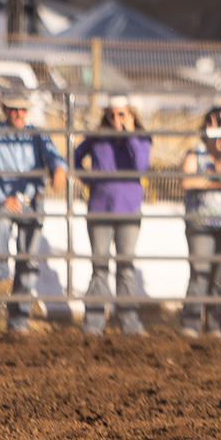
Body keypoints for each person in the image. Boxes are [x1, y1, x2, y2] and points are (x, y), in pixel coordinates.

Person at [0, 92, 67, 333]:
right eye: (14, 109)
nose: (19, 113)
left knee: (29, 258)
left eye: (23, 109)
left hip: (31, 200)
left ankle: (19, 320)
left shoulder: (37, 135)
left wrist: (58, 168)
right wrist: (2, 198)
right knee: (2, 222)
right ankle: (0, 277)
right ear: (4, 110)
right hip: (4, 200)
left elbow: (54, 155)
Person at [73, 95, 152, 337]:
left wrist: (129, 134)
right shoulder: (97, 137)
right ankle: (94, 322)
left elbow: (140, 166)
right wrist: (91, 181)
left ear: (130, 114)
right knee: (100, 266)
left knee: (126, 266)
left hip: (128, 208)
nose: (116, 119)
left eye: (121, 114)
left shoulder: (142, 138)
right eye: (112, 114)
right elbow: (75, 158)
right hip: (100, 208)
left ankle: (129, 321)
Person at [179, 106, 221, 340]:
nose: (215, 126)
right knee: (200, 272)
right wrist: (219, 180)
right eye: (211, 121)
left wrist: (207, 180)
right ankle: (190, 322)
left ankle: (215, 323)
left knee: (218, 276)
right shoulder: (195, 151)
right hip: (200, 220)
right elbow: (187, 182)